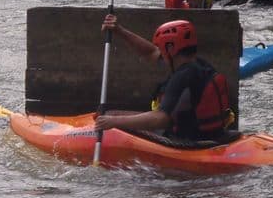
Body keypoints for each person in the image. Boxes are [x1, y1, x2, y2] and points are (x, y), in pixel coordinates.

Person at [94, 16, 233, 141]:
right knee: (108, 115)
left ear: (171, 48)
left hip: (186, 141)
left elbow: (160, 120)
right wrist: (119, 30)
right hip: (210, 134)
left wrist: (113, 122)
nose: (159, 51)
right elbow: (150, 52)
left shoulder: (182, 77)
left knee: (110, 117)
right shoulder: (198, 64)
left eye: (161, 47)